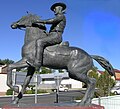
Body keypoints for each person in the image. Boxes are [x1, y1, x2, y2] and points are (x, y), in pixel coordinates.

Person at [26, 2, 67, 68]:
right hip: (52, 34)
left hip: (56, 35)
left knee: (40, 42)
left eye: (55, 8)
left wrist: (38, 21)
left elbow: (51, 21)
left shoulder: (61, 16)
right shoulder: (59, 17)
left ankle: (37, 63)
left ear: (59, 8)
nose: (54, 10)